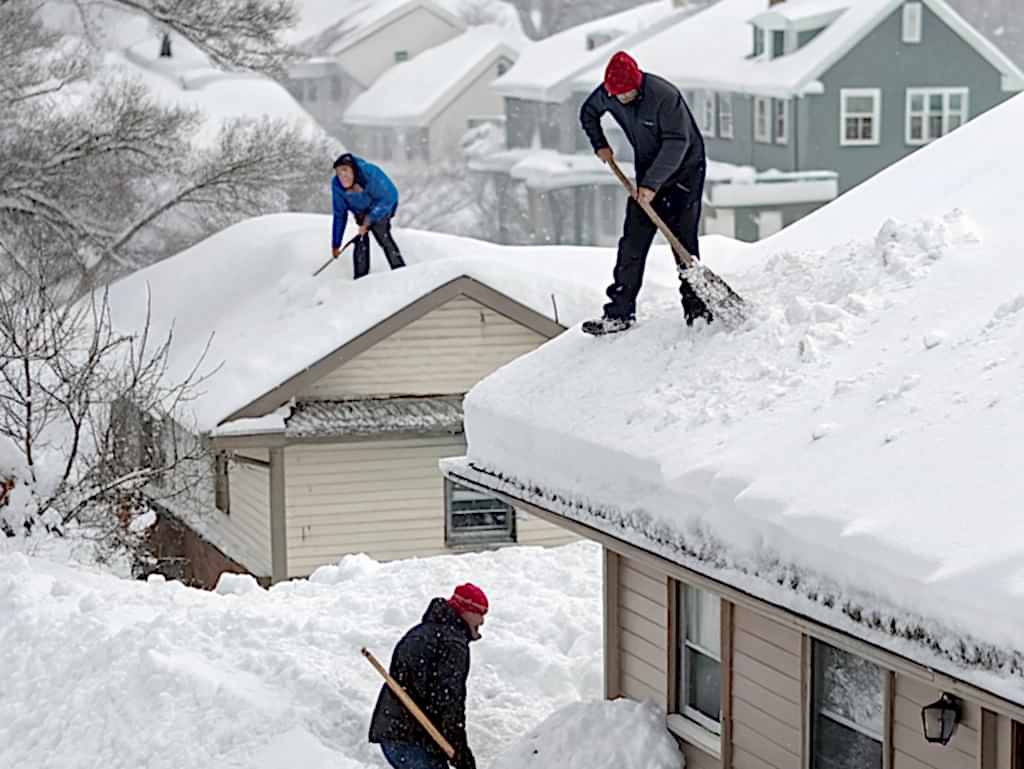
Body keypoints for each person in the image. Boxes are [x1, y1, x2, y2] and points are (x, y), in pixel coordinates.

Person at [579, 51, 712, 335]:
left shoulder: (664, 96)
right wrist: (599, 143)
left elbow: (678, 142)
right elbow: (588, 113)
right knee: (632, 245)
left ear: (637, 83)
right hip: (646, 177)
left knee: (683, 244)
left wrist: (652, 184)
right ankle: (619, 313)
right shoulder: (609, 93)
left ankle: (697, 310)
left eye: (626, 93)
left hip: (684, 173)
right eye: (617, 95)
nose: (622, 99)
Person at [369, 583, 488, 769]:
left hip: (395, 733)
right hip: (413, 739)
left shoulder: (420, 632)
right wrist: (460, 750)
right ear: (466, 611)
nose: (482, 621)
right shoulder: (453, 644)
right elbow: (448, 701)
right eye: (480, 613)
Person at [331, 153, 406, 279]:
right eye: (338, 172)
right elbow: (340, 215)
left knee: (381, 234)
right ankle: (360, 278)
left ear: (353, 170)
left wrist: (369, 220)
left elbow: (389, 197)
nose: (342, 176)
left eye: (345, 170)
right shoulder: (337, 185)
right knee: (360, 239)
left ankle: (400, 271)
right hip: (360, 210)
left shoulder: (370, 174)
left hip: (381, 206)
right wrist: (336, 243)